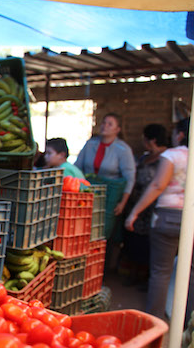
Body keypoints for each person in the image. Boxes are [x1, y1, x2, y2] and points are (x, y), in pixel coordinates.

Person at [124, 118, 193, 319]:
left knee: (160, 273)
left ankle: (153, 322)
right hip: (191, 217)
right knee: (190, 273)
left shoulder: (172, 155)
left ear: (180, 134)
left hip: (167, 217)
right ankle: (187, 322)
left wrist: (135, 212)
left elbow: (157, 185)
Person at [120, 124, 170, 290]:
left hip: (152, 207)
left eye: (144, 137)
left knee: (149, 244)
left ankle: (146, 279)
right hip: (136, 204)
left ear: (152, 140)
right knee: (133, 240)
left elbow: (158, 185)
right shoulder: (144, 157)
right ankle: (134, 274)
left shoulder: (167, 158)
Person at [75, 113, 136, 216]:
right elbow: (77, 167)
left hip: (110, 196)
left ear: (117, 129)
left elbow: (129, 178)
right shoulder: (90, 144)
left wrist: (123, 202)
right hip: (87, 192)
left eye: (110, 124)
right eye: (104, 123)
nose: (105, 126)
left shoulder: (123, 149)